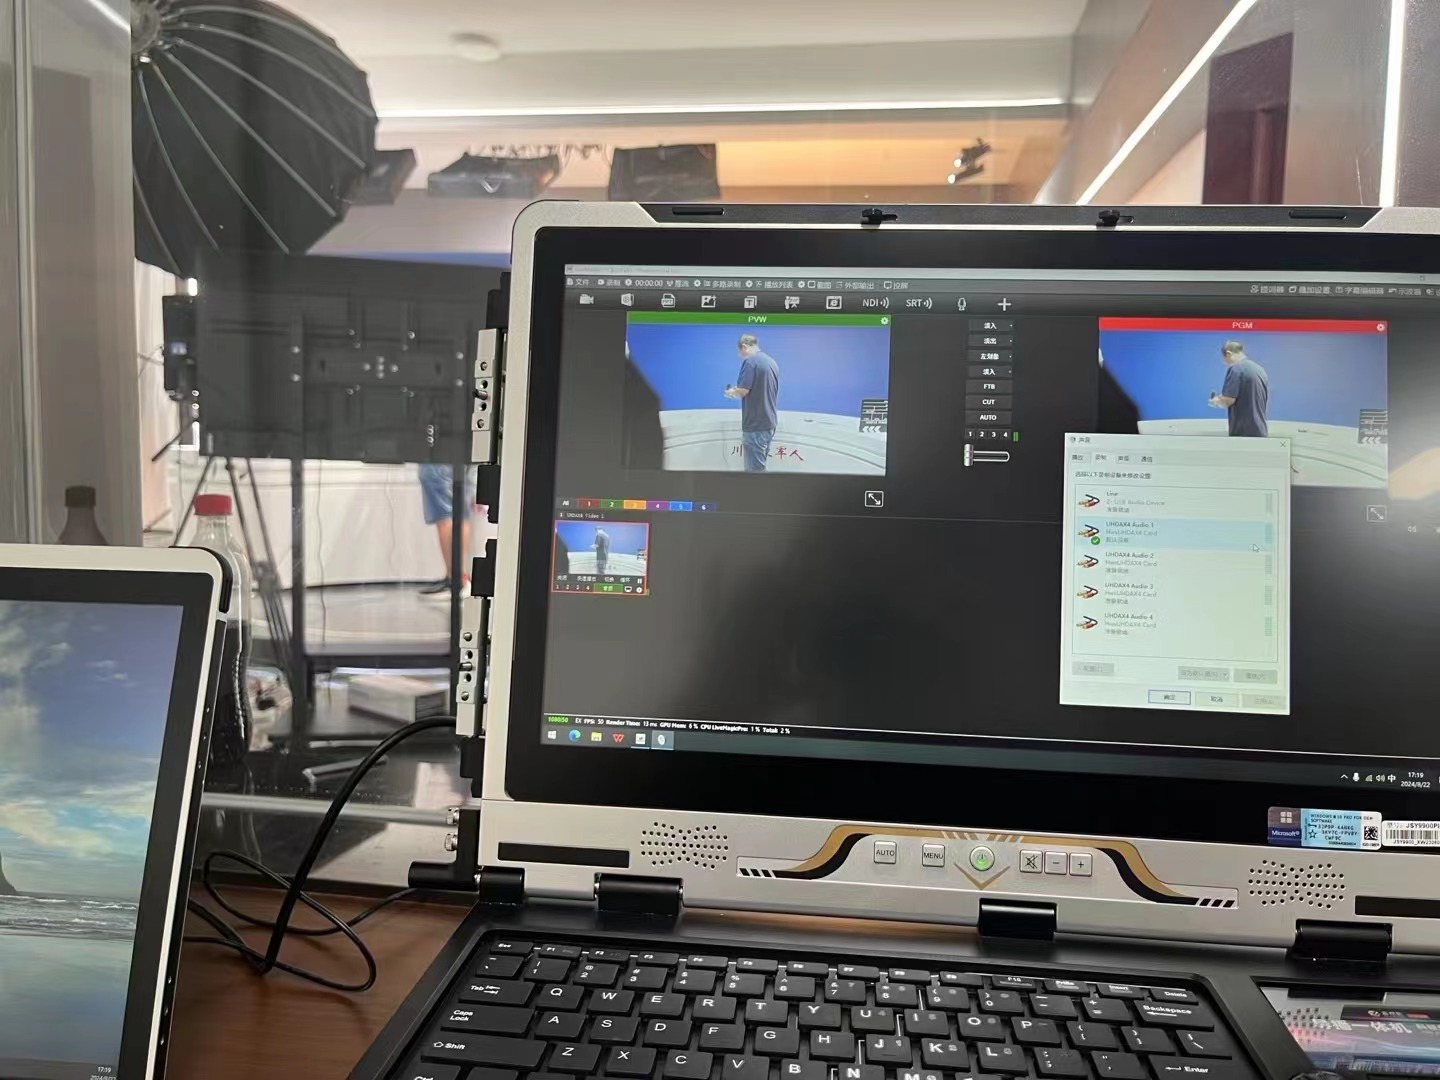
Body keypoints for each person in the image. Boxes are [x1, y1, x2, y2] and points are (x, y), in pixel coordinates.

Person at [724, 332, 781, 472]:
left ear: (744, 346)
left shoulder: (750, 362)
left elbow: (743, 391)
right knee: (760, 466)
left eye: (740, 352)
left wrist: (731, 392)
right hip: (769, 423)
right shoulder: (771, 362)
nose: (740, 356)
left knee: (754, 473)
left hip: (755, 425)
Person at [417, 463, 477, 594]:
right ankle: (460, 576)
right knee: (461, 512)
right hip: (462, 458)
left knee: (445, 515)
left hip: (437, 457)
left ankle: (455, 579)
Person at [1209, 340, 1270, 437]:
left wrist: (1216, 401)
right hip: (1260, 431)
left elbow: (1228, 400)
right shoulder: (1259, 369)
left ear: (1228, 354)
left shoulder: (1236, 369)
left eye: (1225, 359)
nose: (1225, 363)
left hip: (1243, 433)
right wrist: (1223, 396)